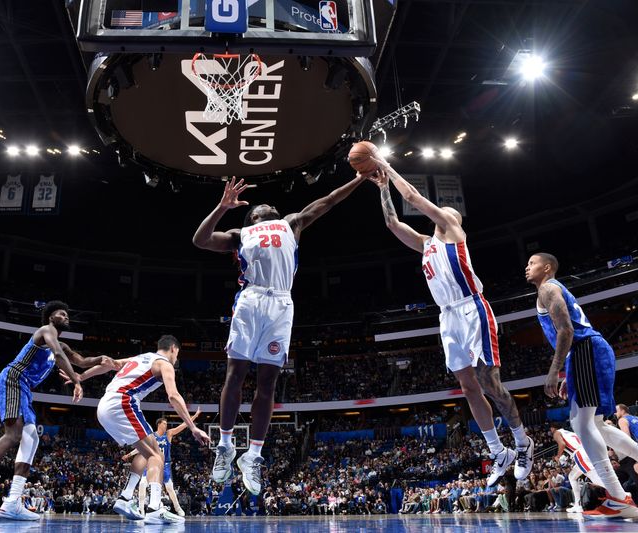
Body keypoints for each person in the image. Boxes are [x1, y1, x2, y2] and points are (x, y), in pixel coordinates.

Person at [192, 174, 368, 495]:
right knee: (236, 375)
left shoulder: (292, 223)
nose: (271, 204)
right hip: (251, 299)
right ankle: (226, 446)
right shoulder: (240, 233)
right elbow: (200, 240)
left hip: (282, 303)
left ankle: (254, 456)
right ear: (254, 216)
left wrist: (358, 178)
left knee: (268, 382)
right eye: (263, 205)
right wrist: (221, 206)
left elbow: (328, 201)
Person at [366, 162, 533, 486]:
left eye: (447, 213)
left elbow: (413, 196)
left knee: (488, 380)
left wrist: (384, 162)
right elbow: (391, 223)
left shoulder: (455, 234)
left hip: (472, 307)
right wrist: (383, 186)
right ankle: (499, 452)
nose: (446, 214)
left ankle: (522, 440)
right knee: (468, 387)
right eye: (443, 212)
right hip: (447, 317)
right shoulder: (425, 244)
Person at [0, 301, 113, 520]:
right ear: (50, 317)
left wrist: (102, 359)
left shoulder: (62, 345)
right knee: (13, 434)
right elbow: (59, 355)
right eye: (61, 314)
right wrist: (76, 381)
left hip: (24, 388)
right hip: (13, 379)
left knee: (31, 438)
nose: (66, 317)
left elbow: (81, 361)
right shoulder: (46, 331)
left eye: (67, 315)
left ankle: (12, 503)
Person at [526, 253, 638, 518]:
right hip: (588, 353)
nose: (527, 267)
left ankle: (617, 495)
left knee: (581, 422)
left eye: (532, 262)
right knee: (595, 423)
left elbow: (566, 330)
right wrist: (569, 372)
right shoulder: (550, 290)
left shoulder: (548, 288)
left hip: (585, 350)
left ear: (548, 267)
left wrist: (556, 370)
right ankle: (618, 495)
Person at [64, 335, 210, 525]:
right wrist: (193, 427)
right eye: (178, 353)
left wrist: (81, 377)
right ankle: (154, 508)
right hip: (123, 403)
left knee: (146, 452)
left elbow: (109, 363)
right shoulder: (165, 364)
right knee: (157, 455)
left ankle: (125, 498)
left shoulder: (140, 358)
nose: (176, 357)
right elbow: (173, 396)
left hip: (105, 405)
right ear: (173, 348)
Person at [123, 408, 203, 517]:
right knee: (142, 484)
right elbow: (140, 448)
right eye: (164, 424)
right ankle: (141, 510)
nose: (166, 425)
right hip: (151, 464)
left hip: (164, 465)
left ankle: (178, 508)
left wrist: (195, 416)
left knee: (169, 487)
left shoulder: (169, 434)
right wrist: (129, 455)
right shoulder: (151, 436)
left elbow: (183, 425)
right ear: (159, 424)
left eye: (166, 424)